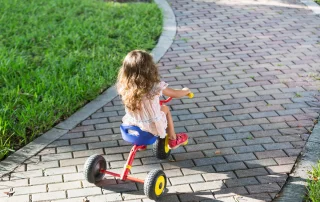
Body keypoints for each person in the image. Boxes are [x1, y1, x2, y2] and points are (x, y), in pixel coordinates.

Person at [117, 50, 190, 149]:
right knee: (165, 108)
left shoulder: (125, 86)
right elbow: (175, 93)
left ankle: (141, 144)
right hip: (151, 127)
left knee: (140, 113)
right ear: (150, 69)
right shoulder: (155, 86)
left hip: (131, 126)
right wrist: (185, 91)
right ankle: (173, 139)